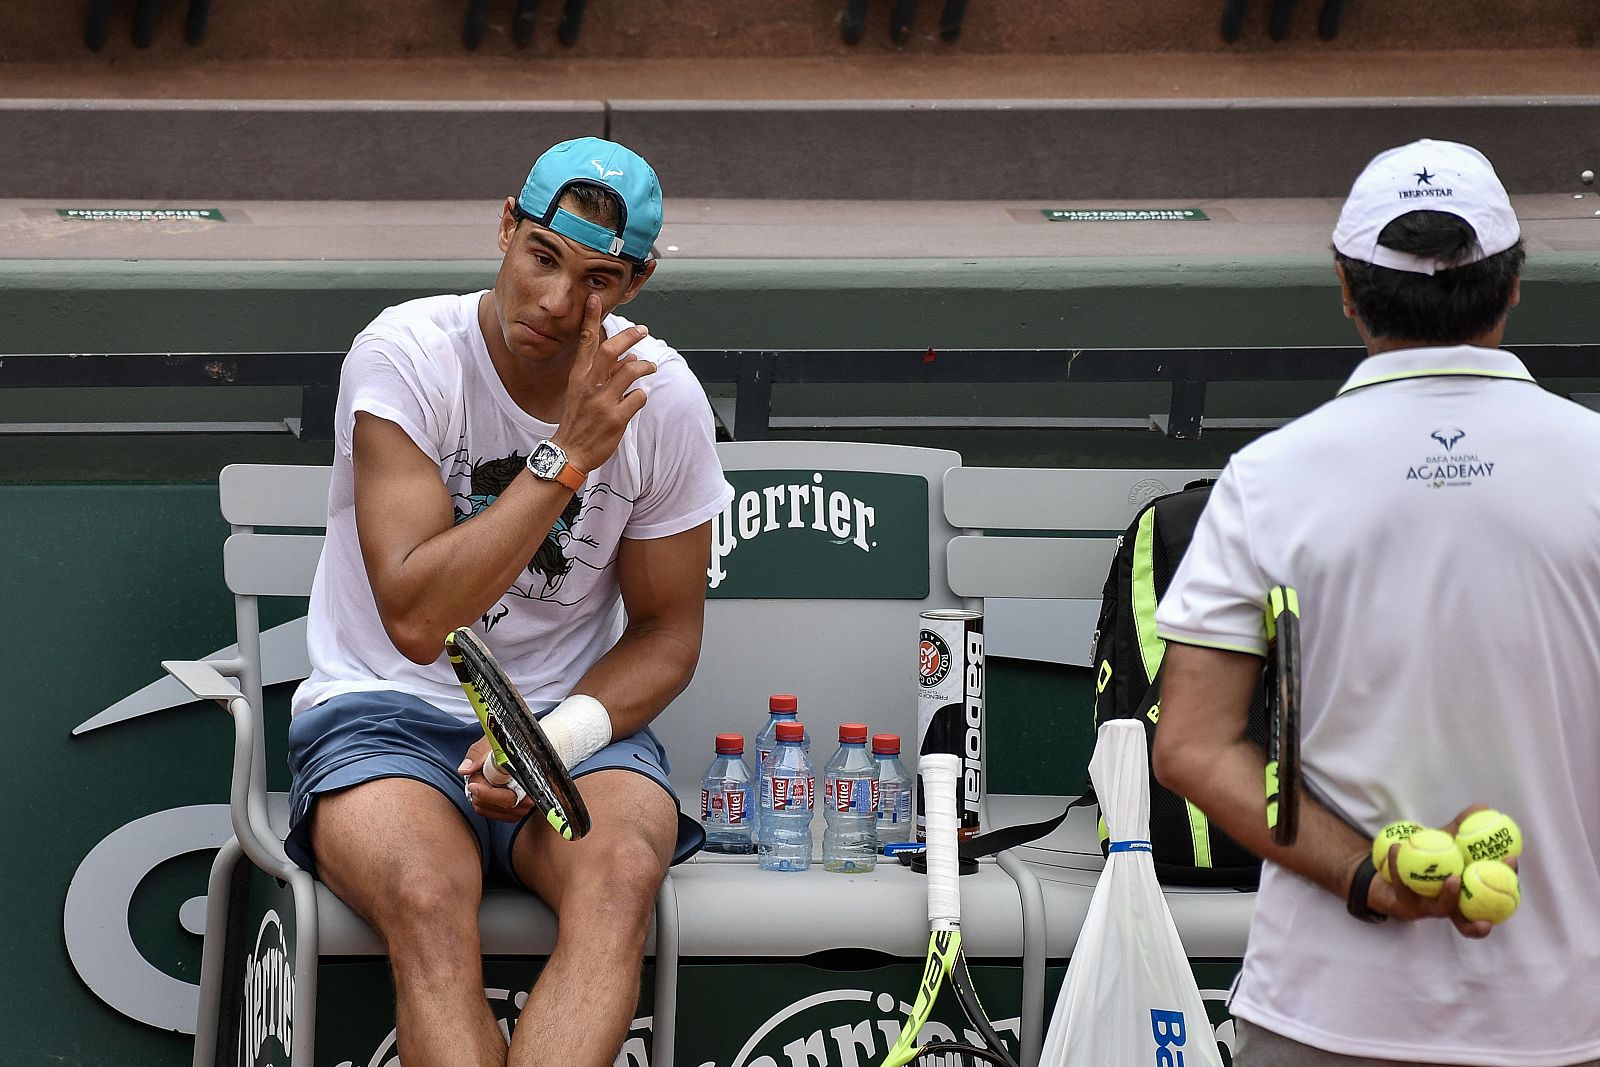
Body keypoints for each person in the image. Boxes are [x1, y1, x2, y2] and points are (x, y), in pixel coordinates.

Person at [284, 137, 733, 1067]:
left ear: (638, 283)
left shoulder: (665, 403)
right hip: (385, 714)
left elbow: (668, 633)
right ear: (505, 227)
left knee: (621, 880)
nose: (559, 303)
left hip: (567, 725)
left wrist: (553, 742)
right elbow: (414, 619)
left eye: (599, 279)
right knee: (423, 898)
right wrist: (566, 457)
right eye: (542, 257)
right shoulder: (407, 356)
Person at [1151, 139, 1600, 1066]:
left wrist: (1369, 878)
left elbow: (1192, 744)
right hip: (1569, 1021)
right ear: (1513, 285)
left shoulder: (1267, 479)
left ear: (1347, 289)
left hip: (1324, 1013)